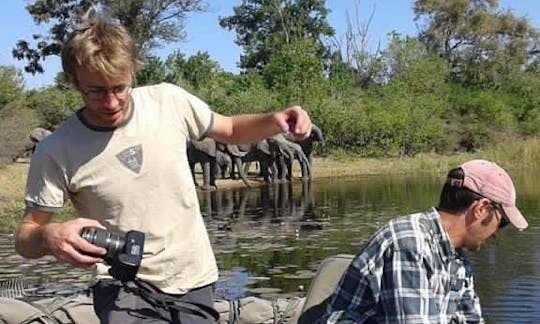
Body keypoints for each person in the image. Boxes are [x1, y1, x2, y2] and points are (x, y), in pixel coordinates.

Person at [14, 12, 311, 324]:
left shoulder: (169, 101)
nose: (112, 103)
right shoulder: (55, 149)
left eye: (120, 88)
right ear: (73, 83)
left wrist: (275, 120)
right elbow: (25, 237)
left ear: (132, 73)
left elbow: (232, 129)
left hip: (194, 277)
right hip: (122, 285)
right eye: (96, 92)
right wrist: (50, 235)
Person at [316, 159, 528, 324]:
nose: (496, 234)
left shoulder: (457, 257)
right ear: (480, 208)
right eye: (501, 223)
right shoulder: (409, 243)